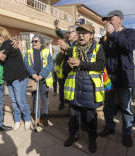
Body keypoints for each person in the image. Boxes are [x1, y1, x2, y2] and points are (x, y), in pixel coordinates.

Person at [62, 24, 106, 153]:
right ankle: (73, 136)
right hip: (75, 89)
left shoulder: (98, 48)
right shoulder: (73, 49)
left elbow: (101, 66)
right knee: (73, 117)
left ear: (91, 35)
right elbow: (65, 68)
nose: (81, 35)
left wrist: (80, 63)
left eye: (84, 33)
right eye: (79, 32)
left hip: (90, 90)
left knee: (90, 118)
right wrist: (69, 66)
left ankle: (92, 140)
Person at [99, 10, 135, 148]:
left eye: (110, 19)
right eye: (106, 20)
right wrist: (105, 41)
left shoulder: (130, 32)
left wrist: (113, 34)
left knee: (125, 107)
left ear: (120, 19)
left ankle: (126, 132)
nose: (108, 22)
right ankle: (109, 126)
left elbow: (128, 46)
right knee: (108, 105)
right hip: (109, 77)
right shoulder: (107, 36)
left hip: (124, 76)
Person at [0, 26, 31, 131]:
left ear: (3, 35)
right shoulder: (5, 44)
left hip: (18, 77)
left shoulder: (7, 43)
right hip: (11, 78)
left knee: (20, 100)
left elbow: (1, 58)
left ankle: (27, 118)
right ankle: (17, 120)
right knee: (14, 101)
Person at [24, 35, 53, 127]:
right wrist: (33, 74)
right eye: (32, 41)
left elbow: (50, 65)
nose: (33, 43)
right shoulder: (29, 52)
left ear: (41, 43)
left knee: (44, 99)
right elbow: (27, 64)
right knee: (35, 100)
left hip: (43, 80)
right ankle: (37, 118)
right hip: (33, 80)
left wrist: (41, 75)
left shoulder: (46, 51)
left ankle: (45, 118)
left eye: (36, 41)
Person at [56, 25, 78, 110]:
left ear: (76, 33)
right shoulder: (66, 43)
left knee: (74, 96)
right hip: (65, 73)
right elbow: (57, 61)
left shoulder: (79, 44)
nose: (67, 34)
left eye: (69, 33)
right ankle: (63, 103)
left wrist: (67, 48)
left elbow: (77, 55)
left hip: (75, 75)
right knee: (64, 90)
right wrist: (61, 53)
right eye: (67, 33)